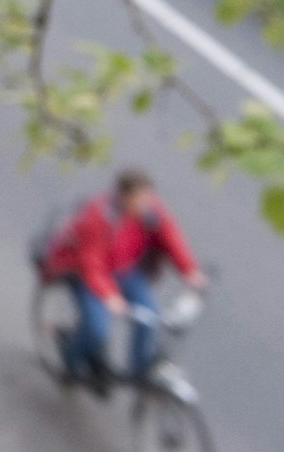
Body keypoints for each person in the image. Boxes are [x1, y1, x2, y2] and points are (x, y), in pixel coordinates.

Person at [40, 168, 205, 394]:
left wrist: (190, 271)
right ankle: (70, 363)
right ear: (125, 197)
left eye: (149, 199)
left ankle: (139, 372)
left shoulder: (148, 209)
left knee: (150, 316)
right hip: (87, 274)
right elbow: (91, 263)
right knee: (96, 332)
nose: (147, 205)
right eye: (141, 200)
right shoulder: (98, 217)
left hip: (122, 270)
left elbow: (169, 235)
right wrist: (109, 297)